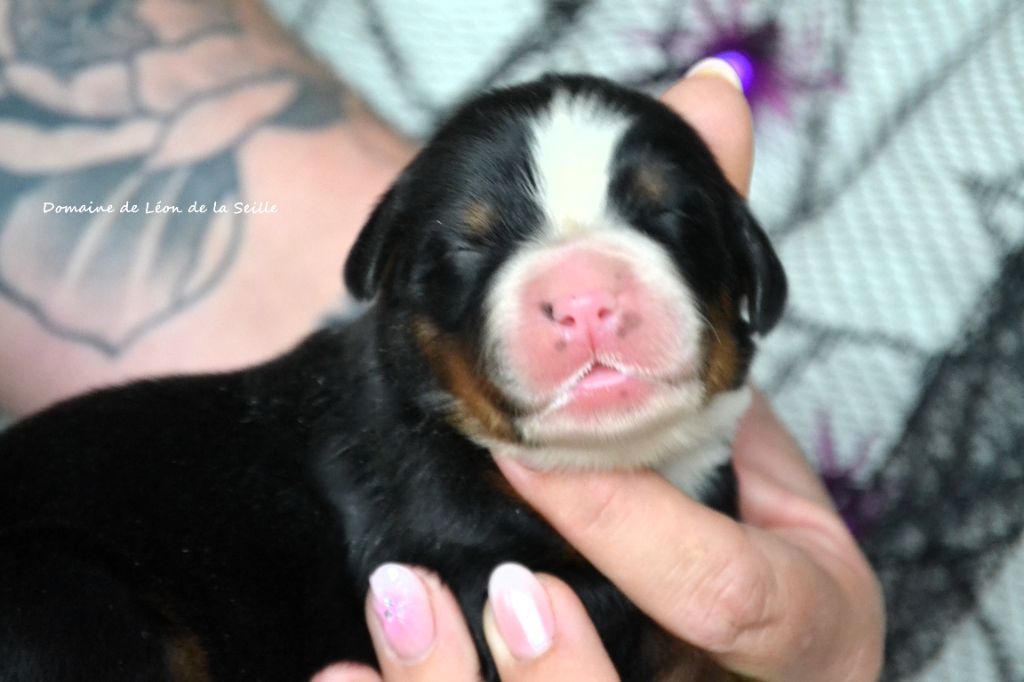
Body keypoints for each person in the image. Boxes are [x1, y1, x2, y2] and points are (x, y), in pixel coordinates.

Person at [0, 3, 884, 679]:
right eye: (475, 247)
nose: (585, 302)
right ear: (402, 312)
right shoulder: (423, 477)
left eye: (664, 219)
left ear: (748, 278)